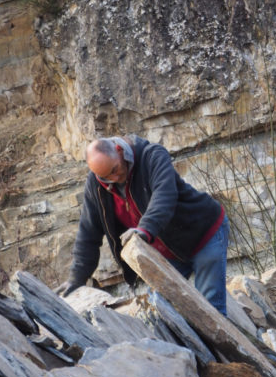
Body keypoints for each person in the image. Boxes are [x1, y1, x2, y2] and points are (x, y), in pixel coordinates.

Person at [57, 135, 229, 315]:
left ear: (119, 150)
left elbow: (164, 197)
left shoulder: (152, 156)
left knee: (211, 310)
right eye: (106, 176)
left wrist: (144, 229)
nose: (114, 178)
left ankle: (229, 343)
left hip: (204, 233)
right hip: (168, 252)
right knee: (162, 311)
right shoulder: (96, 185)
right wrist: (77, 279)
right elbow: (88, 234)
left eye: (115, 169)